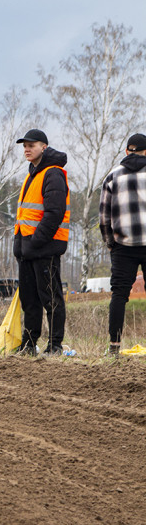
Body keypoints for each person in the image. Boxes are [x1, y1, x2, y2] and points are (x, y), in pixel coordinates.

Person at [13, 129, 69, 356]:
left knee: (51, 298)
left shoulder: (53, 173)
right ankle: (29, 345)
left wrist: (35, 242)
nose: (26, 149)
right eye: (24, 145)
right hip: (27, 250)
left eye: (31, 145)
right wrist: (20, 246)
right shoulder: (32, 174)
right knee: (30, 300)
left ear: (43, 147)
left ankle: (54, 346)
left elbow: (54, 214)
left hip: (44, 249)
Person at [99, 133, 146, 357]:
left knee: (119, 295)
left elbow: (104, 217)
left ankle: (114, 347)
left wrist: (111, 243)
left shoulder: (112, 176)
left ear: (127, 151)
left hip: (123, 246)